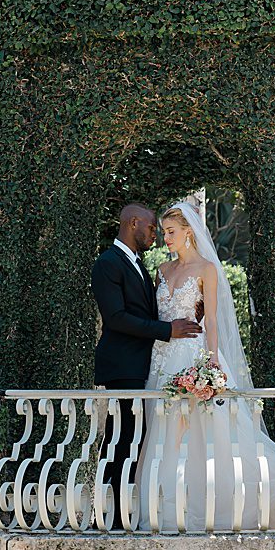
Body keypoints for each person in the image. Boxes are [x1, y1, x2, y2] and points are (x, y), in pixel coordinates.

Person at [134, 200, 275, 530]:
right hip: (162, 359)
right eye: (164, 232)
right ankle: (159, 512)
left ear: (188, 232)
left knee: (214, 434)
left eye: (171, 232)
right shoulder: (162, 271)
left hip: (193, 357)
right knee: (161, 434)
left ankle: (220, 508)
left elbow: (212, 323)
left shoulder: (207, 269)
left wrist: (210, 364)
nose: (165, 238)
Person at [90, 203, 200, 528]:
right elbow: (117, 318)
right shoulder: (107, 263)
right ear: (133, 223)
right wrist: (167, 331)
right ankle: (108, 513)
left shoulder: (138, 263)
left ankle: (124, 512)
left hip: (143, 365)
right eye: (152, 228)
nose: (155, 235)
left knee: (133, 439)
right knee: (119, 439)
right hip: (121, 366)